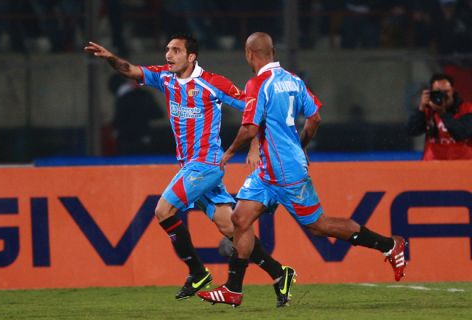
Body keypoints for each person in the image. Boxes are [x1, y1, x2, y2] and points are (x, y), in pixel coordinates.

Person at [198, 32, 408, 307]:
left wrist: (228, 153)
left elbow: (249, 129)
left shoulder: (258, 83)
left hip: (286, 173)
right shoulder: (294, 81)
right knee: (240, 219)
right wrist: (301, 145)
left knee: (319, 226)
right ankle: (234, 289)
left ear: (249, 54)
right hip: (268, 171)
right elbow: (315, 117)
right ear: (272, 51)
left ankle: (390, 245)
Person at [84, 33, 292, 304]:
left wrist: (254, 147)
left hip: (205, 165)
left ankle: (197, 272)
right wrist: (111, 58)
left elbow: (255, 110)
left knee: (163, 210)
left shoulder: (213, 83)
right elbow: (131, 70)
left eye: (176, 50)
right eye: (167, 49)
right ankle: (279, 273)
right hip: (192, 166)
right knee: (231, 228)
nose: (168, 55)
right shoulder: (165, 78)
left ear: (191, 56)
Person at [407, 73, 472, 160]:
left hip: (462, 165)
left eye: (446, 92)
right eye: (438, 92)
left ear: (452, 90)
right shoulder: (427, 110)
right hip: (433, 165)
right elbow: (412, 131)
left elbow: (462, 133)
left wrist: (442, 113)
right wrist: (421, 108)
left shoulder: (467, 109)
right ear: (431, 93)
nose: (443, 96)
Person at [108, 74, 164, 155]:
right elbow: (158, 114)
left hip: (127, 140)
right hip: (142, 138)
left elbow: (118, 120)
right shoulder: (144, 95)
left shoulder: (123, 98)